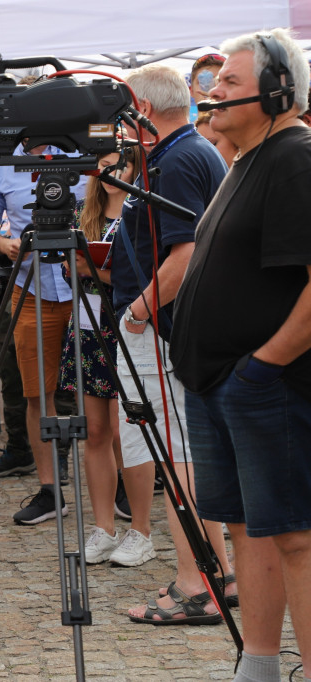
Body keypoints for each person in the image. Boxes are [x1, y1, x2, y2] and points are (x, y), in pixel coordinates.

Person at [172, 28, 311, 678]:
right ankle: (258, 666)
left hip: (265, 385)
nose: (213, 92)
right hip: (223, 381)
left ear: (278, 90)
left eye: (229, 82)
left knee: (295, 538)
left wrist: (264, 366)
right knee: (252, 529)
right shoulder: (245, 160)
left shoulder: (294, 157)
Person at [106, 64, 234, 621]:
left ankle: (195, 583)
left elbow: (185, 254)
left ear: (146, 110)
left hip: (159, 330)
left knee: (176, 458)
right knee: (181, 454)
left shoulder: (178, 158)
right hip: (167, 327)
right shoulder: (184, 152)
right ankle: (217, 574)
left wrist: (136, 313)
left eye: (127, 109)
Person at [0, 139, 75, 526]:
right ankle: (51, 491)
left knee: (105, 394)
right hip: (31, 288)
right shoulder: (0, 165)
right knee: (37, 393)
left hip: (88, 284)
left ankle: (118, 483)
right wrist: (4, 244)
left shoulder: (80, 153)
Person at [61, 148, 136, 563]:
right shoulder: (80, 214)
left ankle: (139, 527)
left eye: (120, 164)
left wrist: (94, 270)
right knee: (94, 431)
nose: (112, 172)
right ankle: (103, 528)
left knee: (129, 430)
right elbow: (68, 271)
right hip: (87, 327)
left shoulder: (141, 210)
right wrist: (82, 269)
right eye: (104, 165)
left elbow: (142, 275)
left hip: (129, 325)